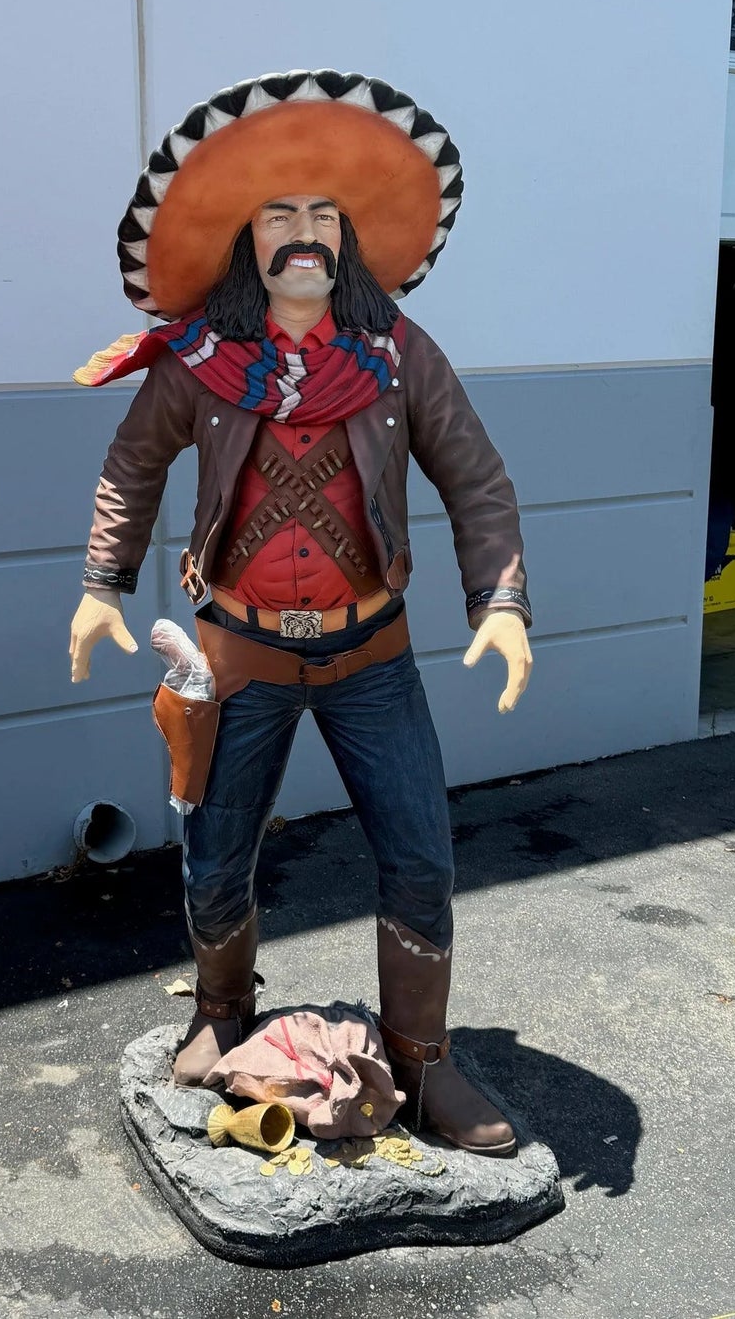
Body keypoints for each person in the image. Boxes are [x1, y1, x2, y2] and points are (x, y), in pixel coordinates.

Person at [70, 71, 533, 1156]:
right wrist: (100, 585)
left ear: (349, 241)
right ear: (246, 240)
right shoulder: (194, 363)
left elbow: (477, 480)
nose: (303, 233)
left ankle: (421, 1063)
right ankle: (219, 1008)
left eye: (323, 215)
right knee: (213, 850)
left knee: (420, 852)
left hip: (371, 652)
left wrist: (499, 600)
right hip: (236, 654)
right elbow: (131, 467)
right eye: (280, 215)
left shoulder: (399, 357)